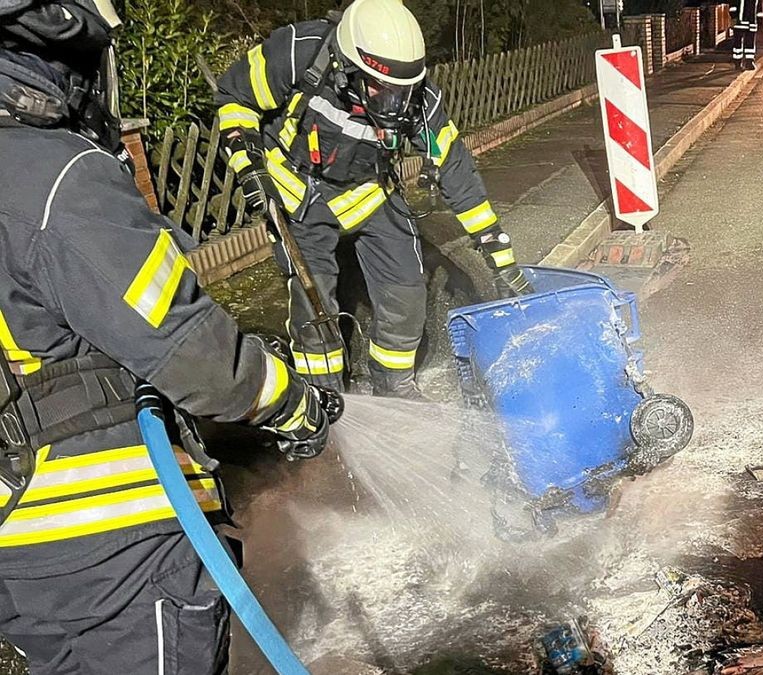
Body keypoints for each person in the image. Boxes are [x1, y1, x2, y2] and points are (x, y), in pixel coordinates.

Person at [0, 1, 337, 671]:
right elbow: (197, 354)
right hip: (113, 552)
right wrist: (294, 402)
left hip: (25, 544)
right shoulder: (54, 177)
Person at [216, 0, 530, 399]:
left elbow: (455, 170)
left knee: (406, 288)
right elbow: (234, 99)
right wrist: (248, 164)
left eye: (405, 91)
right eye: (383, 90)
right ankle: (323, 396)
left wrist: (501, 260)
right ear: (348, 69)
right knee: (315, 305)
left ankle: (394, 384)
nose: (396, 105)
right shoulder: (299, 52)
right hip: (298, 197)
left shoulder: (415, 98)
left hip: (368, 191)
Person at [731, 0, 763, 70]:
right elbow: (733, 5)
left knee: (750, 42)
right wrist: (733, 17)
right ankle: (737, 62)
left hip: (751, 22)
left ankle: (749, 62)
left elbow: (759, 7)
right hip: (739, 22)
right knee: (738, 42)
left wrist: (759, 20)